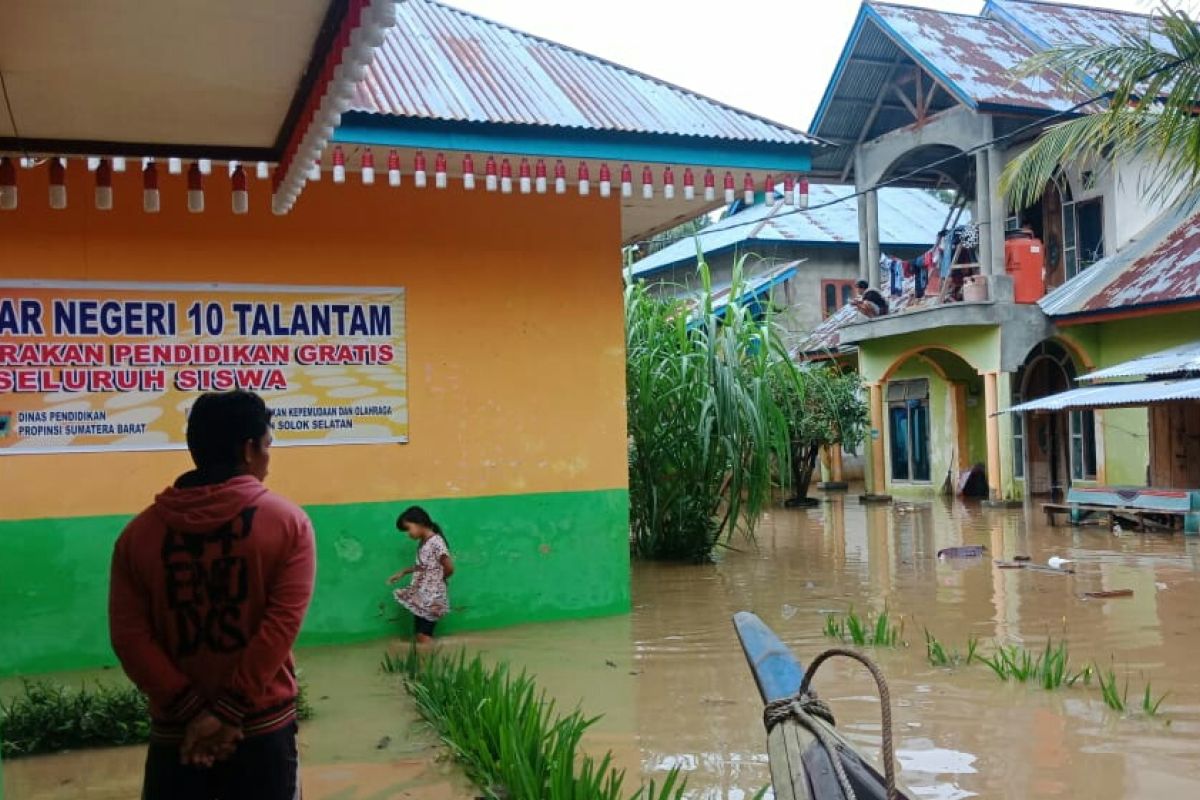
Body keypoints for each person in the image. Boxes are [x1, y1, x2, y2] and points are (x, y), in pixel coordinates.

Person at [108, 390, 316, 800]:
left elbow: (130, 637)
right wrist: (227, 712)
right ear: (250, 448)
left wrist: (193, 713)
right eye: (269, 445)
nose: (269, 459)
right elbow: (280, 627)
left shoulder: (137, 536)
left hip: (178, 738)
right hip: (260, 730)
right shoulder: (288, 523)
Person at [388, 506, 454, 643]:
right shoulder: (423, 543)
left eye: (408, 528)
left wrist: (437, 581)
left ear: (420, 523)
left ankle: (436, 657)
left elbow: (449, 568)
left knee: (423, 637)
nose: (408, 534)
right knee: (420, 636)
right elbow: (424, 566)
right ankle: (429, 660)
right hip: (422, 596)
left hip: (432, 597)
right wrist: (404, 572)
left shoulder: (436, 542)